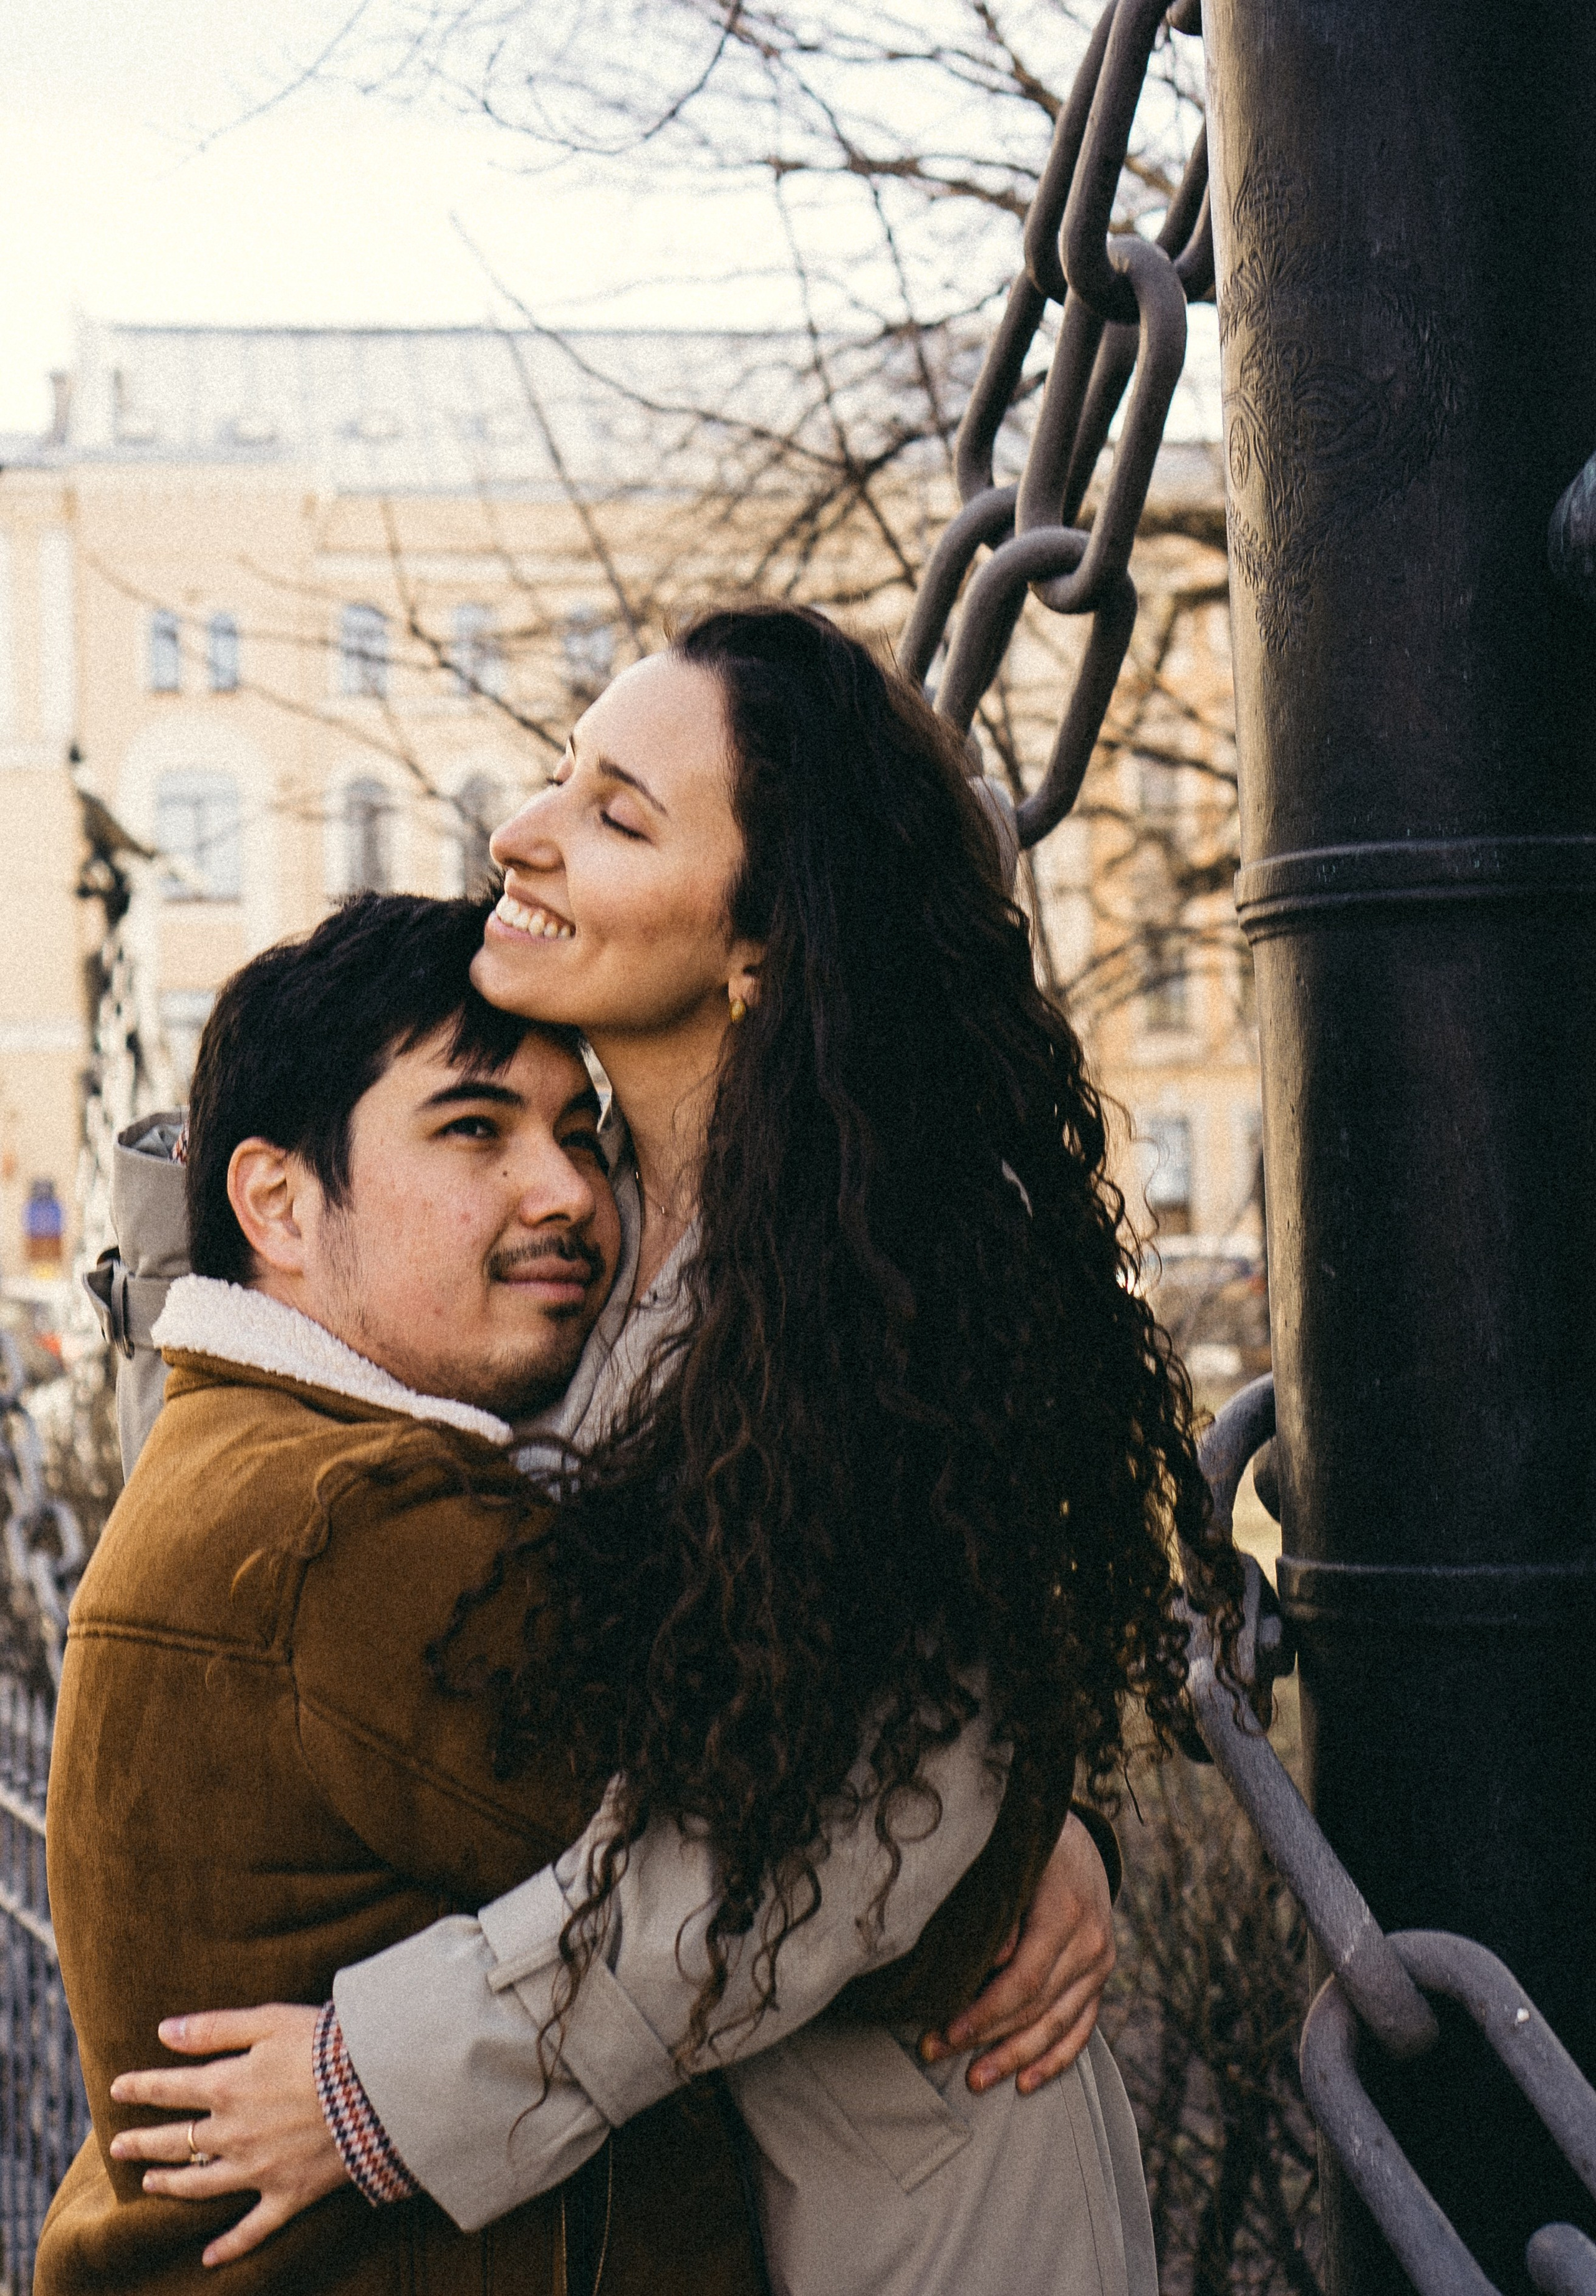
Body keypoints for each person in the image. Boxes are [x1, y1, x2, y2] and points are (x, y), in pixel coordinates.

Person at [110, 608, 1238, 2295]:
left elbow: (812, 1835)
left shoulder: (885, 1279)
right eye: (564, 773)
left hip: (919, 2195)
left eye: (619, 814)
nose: (524, 828)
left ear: (761, 948)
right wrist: (1023, 1820)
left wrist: (371, 2090)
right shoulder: (601, 1236)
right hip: (706, 2175)